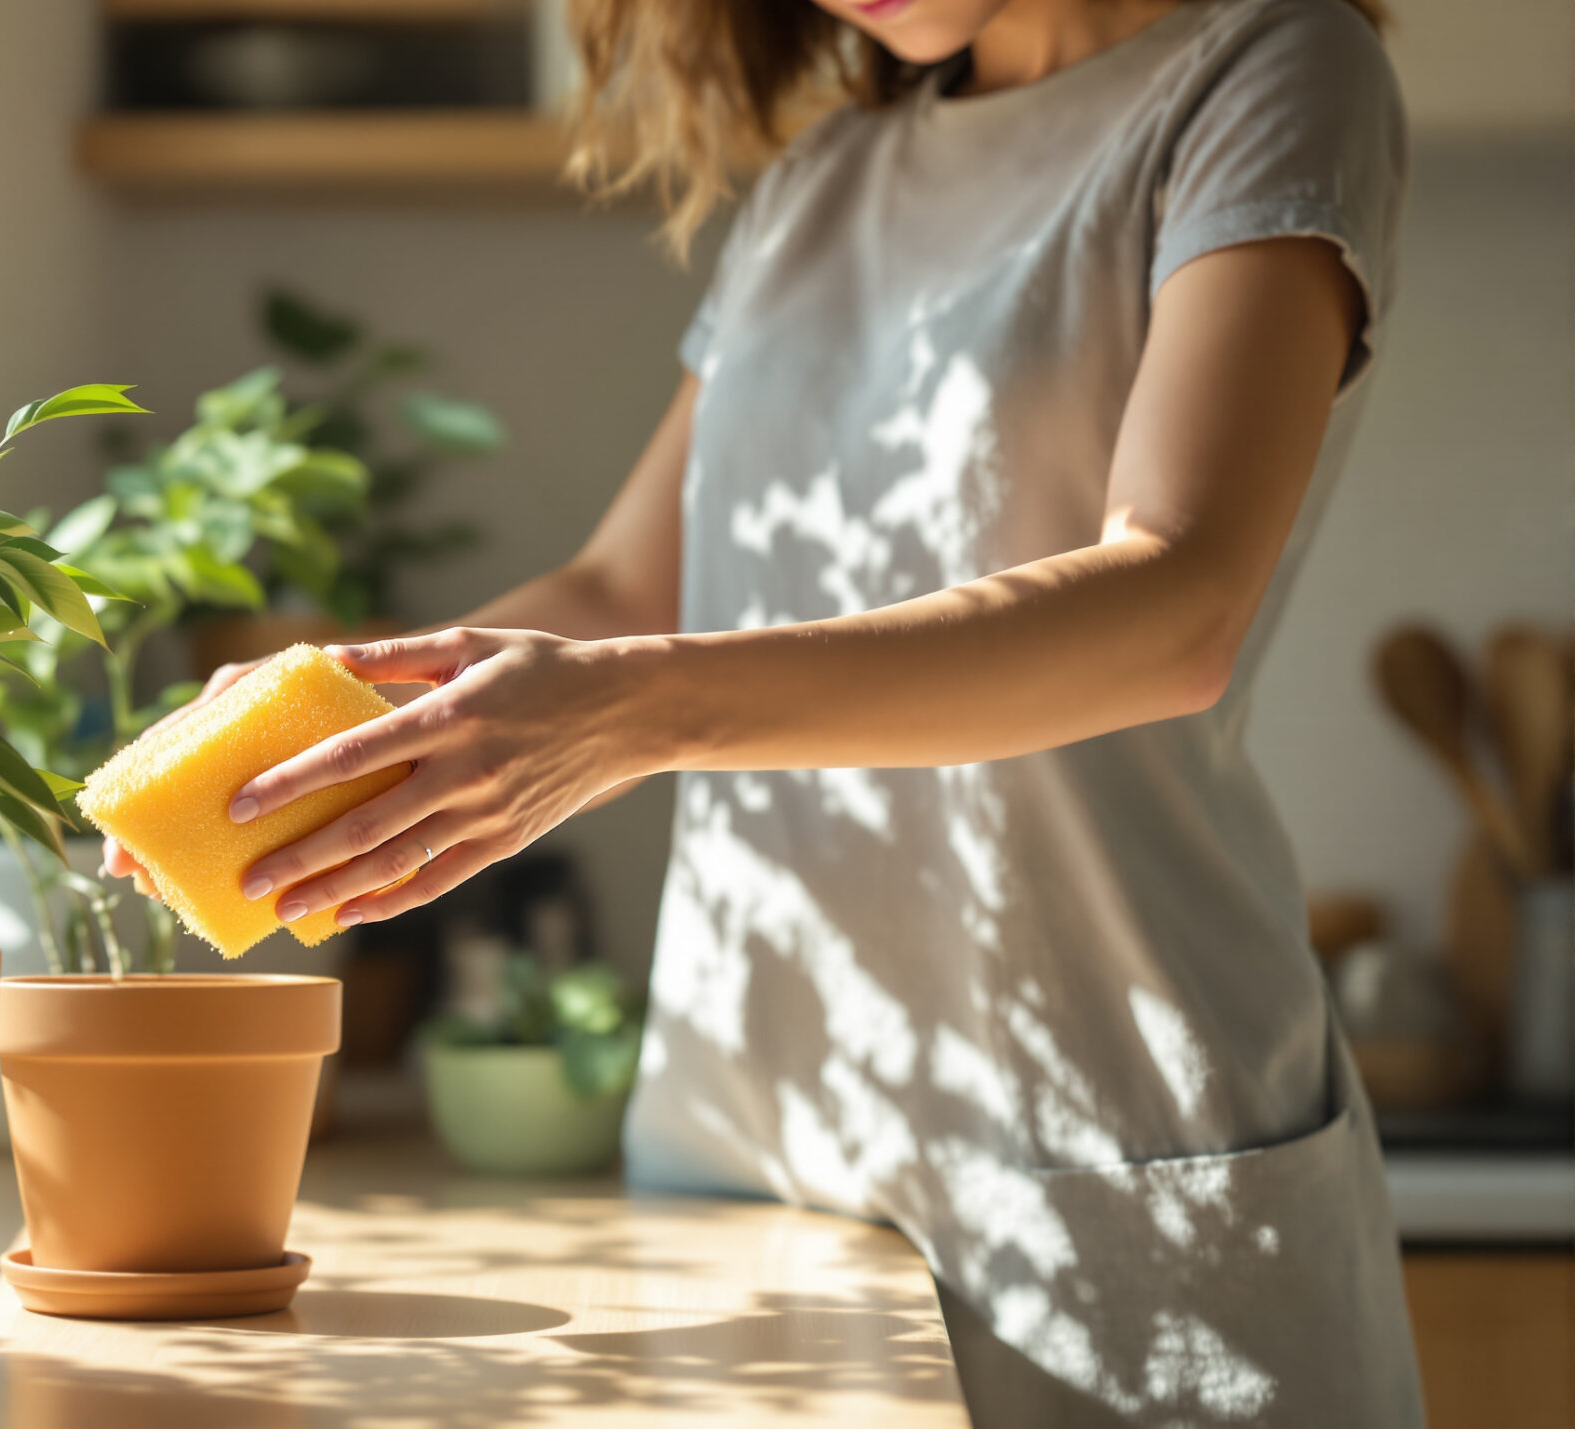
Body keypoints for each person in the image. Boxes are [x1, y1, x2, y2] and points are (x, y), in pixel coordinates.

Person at [107, 0, 1417, 1422]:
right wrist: (355, 704)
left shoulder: (1267, 71)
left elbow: (1175, 601)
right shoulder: (819, 185)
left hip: (1110, 1183)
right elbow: (623, 588)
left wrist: (635, 716)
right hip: (747, 1169)